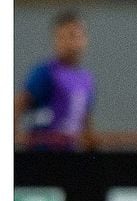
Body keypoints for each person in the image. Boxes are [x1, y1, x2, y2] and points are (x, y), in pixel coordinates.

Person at [15, 9, 97, 152]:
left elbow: (84, 119)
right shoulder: (45, 72)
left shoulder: (86, 79)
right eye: (63, 37)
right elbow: (19, 104)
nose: (70, 43)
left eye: (75, 36)